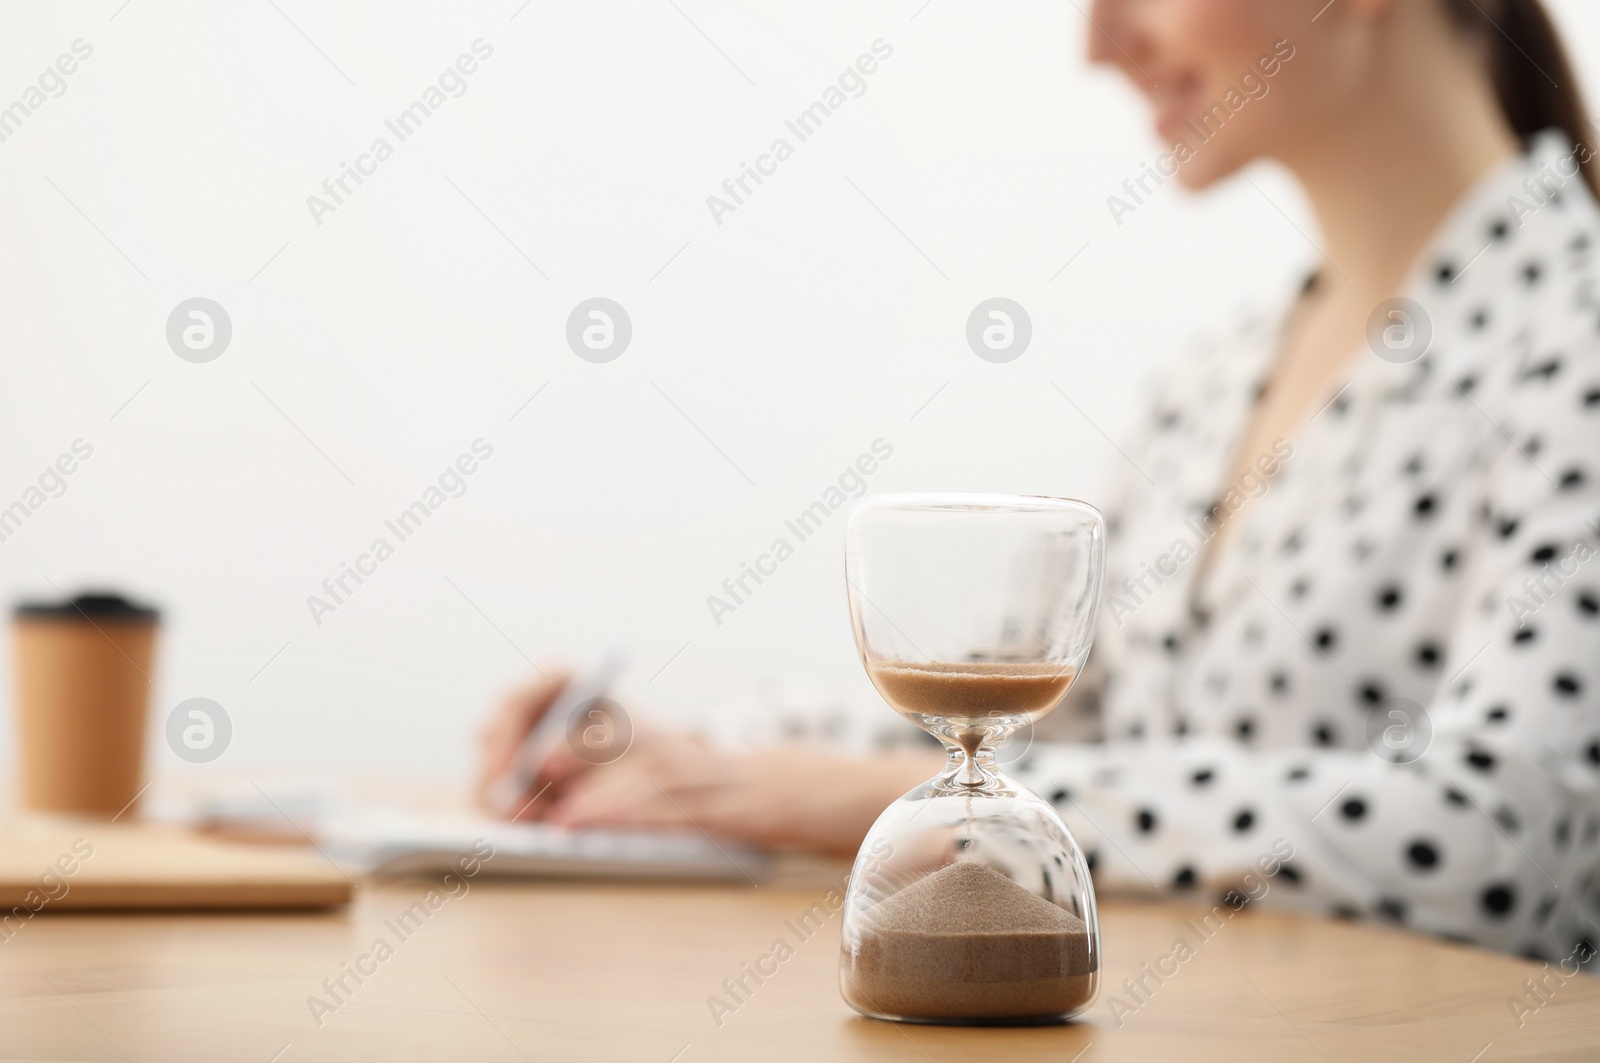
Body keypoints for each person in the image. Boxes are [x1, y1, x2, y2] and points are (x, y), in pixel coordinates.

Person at [480, 0, 1600, 963]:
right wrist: (678, 754)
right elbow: (1040, 718)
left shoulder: (1574, 338)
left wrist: (877, 809)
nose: (1098, 41)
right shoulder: (1215, 377)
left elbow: (1503, 838)